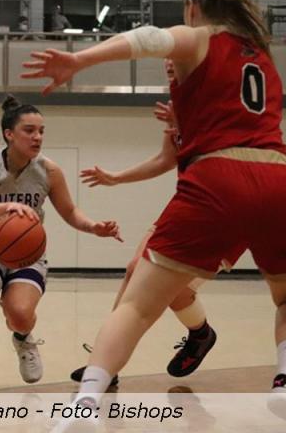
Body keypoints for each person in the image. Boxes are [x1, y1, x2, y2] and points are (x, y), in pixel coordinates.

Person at [23, 0, 286, 432]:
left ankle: (86, 404)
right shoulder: (261, 52)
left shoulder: (201, 38)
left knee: (137, 305)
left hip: (219, 181)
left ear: (192, 3)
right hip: (281, 181)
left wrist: (78, 59)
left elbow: (147, 38)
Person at [0, 95, 121, 397]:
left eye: (41, 131)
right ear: (9, 134)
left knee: (19, 313)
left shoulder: (49, 171)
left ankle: (23, 338)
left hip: (26, 253)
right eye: (29, 130)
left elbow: (69, 211)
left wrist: (93, 226)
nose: (37, 137)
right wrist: (8, 206)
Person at [72, 71, 216, 384]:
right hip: (185, 204)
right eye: (166, 59)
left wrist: (186, 122)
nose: (170, 62)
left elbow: (224, 153)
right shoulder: (178, 102)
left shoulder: (217, 95)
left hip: (219, 209)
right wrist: (117, 177)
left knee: (173, 291)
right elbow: (167, 158)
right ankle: (105, 365)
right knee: (135, 269)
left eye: (175, 56)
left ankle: (200, 334)